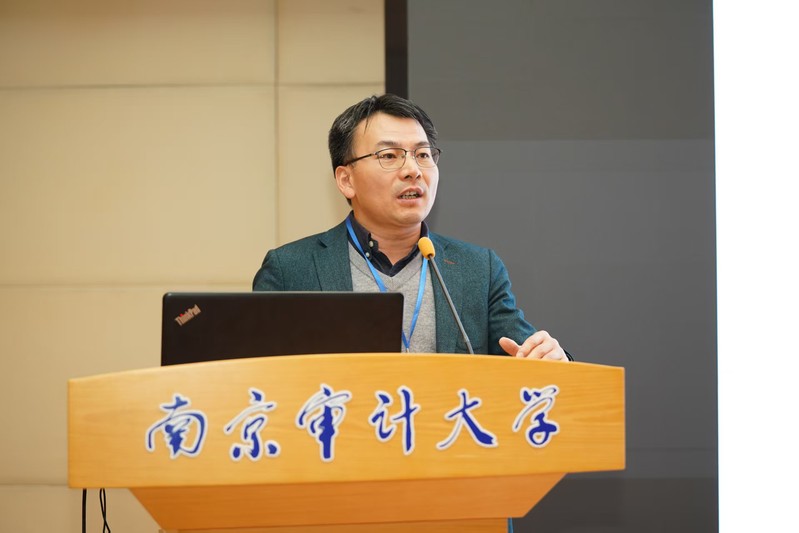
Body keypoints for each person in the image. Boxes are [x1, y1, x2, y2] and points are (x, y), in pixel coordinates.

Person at [253, 94, 569, 361]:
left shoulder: (478, 270)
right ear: (346, 180)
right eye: (389, 155)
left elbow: (527, 359)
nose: (412, 170)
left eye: (422, 154)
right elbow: (254, 381)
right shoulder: (291, 270)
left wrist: (554, 359)